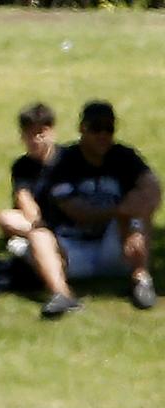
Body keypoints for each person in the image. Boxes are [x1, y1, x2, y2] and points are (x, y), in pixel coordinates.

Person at [33, 100, 161, 311]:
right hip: (72, 251)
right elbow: (78, 212)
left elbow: (153, 189)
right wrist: (123, 212)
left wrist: (136, 226)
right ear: (82, 128)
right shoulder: (62, 162)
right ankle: (61, 295)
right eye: (96, 128)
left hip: (114, 248)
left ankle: (141, 280)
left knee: (140, 209)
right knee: (38, 234)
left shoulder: (124, 156)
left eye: (108, 129)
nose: (103, 135)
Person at [0, 102, 81, 318]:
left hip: (70, 222)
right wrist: (37, 220)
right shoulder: (22, 166)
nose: (35, 140)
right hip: (39, 224)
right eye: (29, 134)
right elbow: (24, 198)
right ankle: (62, 293)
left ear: (52, 130)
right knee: (6, 218)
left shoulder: (69, 159)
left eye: (40, 133)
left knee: (35, 235)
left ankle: (61, 293)